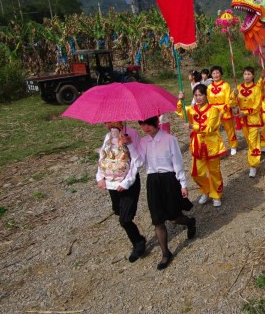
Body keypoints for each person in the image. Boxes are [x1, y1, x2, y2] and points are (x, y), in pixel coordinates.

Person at [127, 116, 196, 270]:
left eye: (148, 123)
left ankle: (190, 222)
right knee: (158, 220)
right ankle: (166, 253)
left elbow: (178, 162)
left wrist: (183, 184)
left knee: (173, 216)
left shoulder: (170, 139)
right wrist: (131, 145)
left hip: (169, 179)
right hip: (152, 181)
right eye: (142, 124)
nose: (145, 127)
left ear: (157, 122)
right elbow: (138, 163)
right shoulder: (143, 142)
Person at [96, 122, 146, 263]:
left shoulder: (131, 134)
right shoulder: (108, 137)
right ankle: (136, 237)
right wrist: (100, 177)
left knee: (124, 219)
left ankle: (138, 242)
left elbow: (137, 162)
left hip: (128, 184)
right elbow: (103, 157)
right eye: (107, 122)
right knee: (118, 211)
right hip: (112, 184)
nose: (110, 125)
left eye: (113, 121)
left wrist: (127, 182)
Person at [177, 85, 227, 207]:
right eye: (196, 95)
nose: (198, 98)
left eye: (200, 95)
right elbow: (181, 113)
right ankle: (206, 189)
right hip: (198, 145)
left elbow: (210, 128)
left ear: (206, 95)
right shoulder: (192, 109)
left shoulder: (213, 110)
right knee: (196, 173)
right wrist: (181, 100)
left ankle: (216, 195)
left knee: (214, 171)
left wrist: (193, 127)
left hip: (212, 145)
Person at [232, 67, 263, 178]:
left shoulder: (256, 89)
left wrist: (245, 112)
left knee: (253, 141)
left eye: (249, 74)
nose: (247, 76)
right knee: (249, 142)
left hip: (253, 119)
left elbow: (257, 105)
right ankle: (255, 155)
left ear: (253, 76)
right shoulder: (238, 88)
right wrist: (234, 95)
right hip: (242, 120)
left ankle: (253, 165)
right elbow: (231, 103)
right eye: (245, 74)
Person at [207, 66, 238, 155]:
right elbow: (209, 100)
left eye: (217, 73)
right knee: (214, 131)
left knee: (230, 130)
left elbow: (228, 101)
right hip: (213, 111)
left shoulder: (225, 85)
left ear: (221, 73)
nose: (216, 75)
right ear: (211, 75)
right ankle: (218, 148)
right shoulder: (209, 87)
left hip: (225, 110)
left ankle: (233, 146)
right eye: (213, 73)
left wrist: (222, 112)